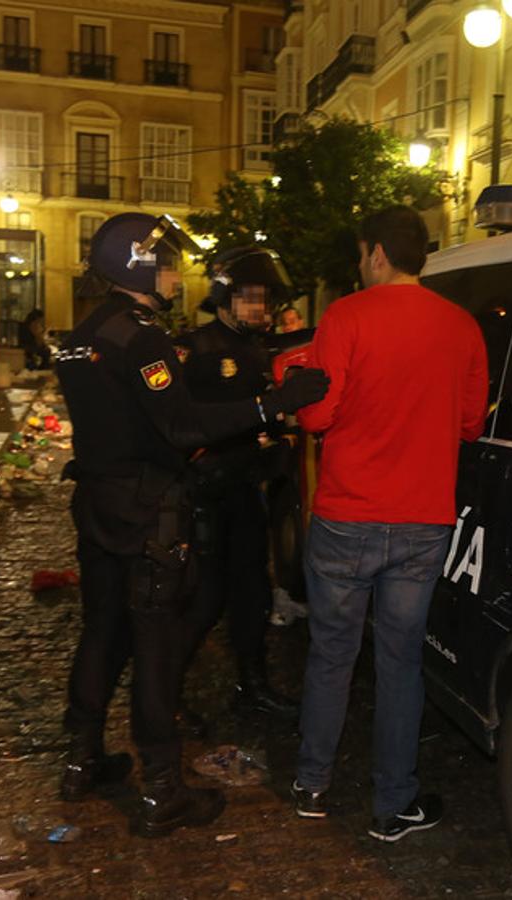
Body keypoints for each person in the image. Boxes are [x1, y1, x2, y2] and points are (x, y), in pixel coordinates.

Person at [54, 211, 328, 838]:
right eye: (169, 262)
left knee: (100, 633)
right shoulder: (143, 337)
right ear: (140, 265)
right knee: (154, 646)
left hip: (97, 502)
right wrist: (272, 404)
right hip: (148, 509)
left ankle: (80, 761)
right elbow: (178, 427)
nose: (178, 274)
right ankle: (162, 791)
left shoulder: (83, 332)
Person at [291, 206, 487, 841]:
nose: (359, 264)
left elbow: (316, 417)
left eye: (360, 254)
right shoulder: (462, 327)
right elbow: (469, 424)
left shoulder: (346, 315)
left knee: (331, 653)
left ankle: (313, 786)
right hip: (421, 521)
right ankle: (392, 805)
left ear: (376, 254)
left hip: (347, 515)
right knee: (401, 661)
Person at [175, 246, 297, 720]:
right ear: (224, 298)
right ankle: (167, 695)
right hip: (205, 495)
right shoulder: (194, 349)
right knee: (203, 600)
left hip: (246, 491)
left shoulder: (258, 349)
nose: (259, 309)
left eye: (264, 300)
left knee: (254, 594)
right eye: (249, 298)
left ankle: (253, 682)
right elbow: (182, 425)